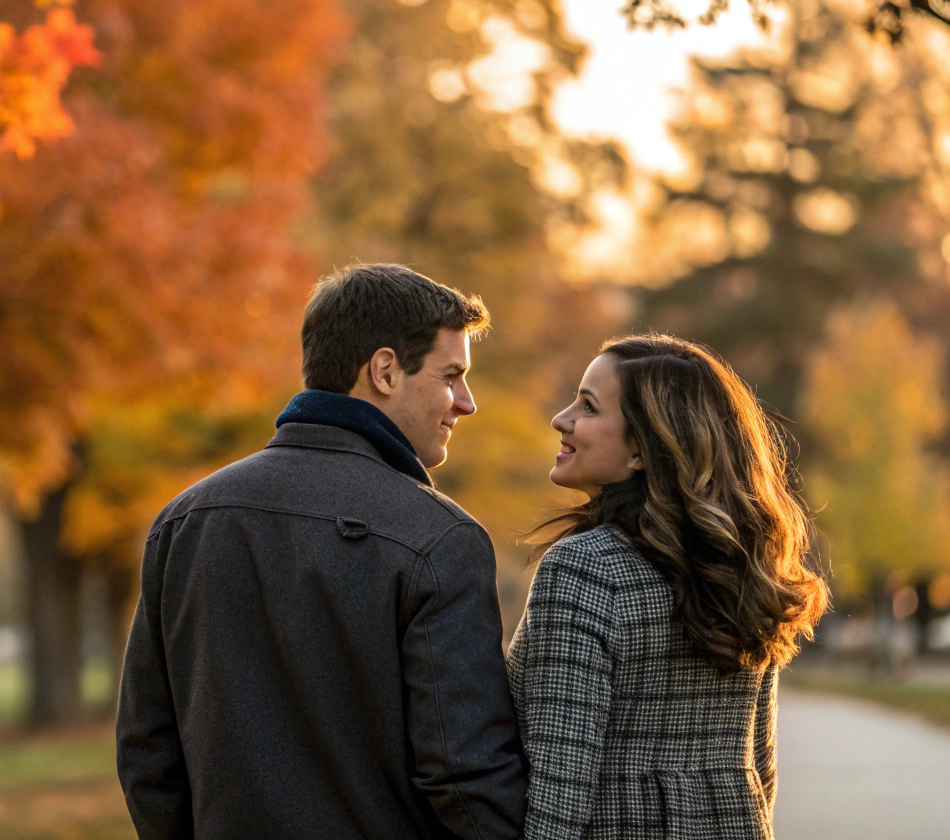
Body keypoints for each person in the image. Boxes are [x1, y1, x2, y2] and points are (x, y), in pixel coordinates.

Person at [117, 263, 527, 840]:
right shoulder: (439, 539)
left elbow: (147, 755)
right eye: (451, 375)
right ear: (384, 370)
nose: (467, 403)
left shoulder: (185, 521)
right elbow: (464, 776)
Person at [509, 334, 829, 840]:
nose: (561, 419)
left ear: (642, 448)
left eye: (587, 407)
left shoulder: (583, 570)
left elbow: (560, 794)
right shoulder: (746, 570)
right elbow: (759, 771)